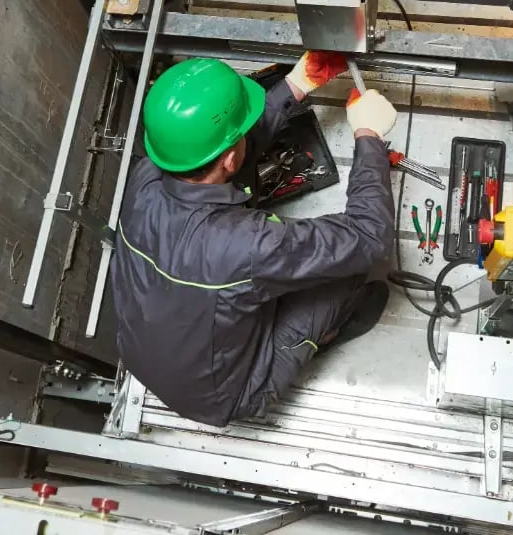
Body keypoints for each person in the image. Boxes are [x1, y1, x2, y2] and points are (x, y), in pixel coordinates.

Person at [111, 51, 398, 427]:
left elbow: (222, 152)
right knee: (351, 271)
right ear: (230, 158)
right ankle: (328, 330)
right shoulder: (245, 243)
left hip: (143, 354)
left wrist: (296, 85)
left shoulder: (148, 173)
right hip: (226, 397)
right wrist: (368, 136)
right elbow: (369, 235)